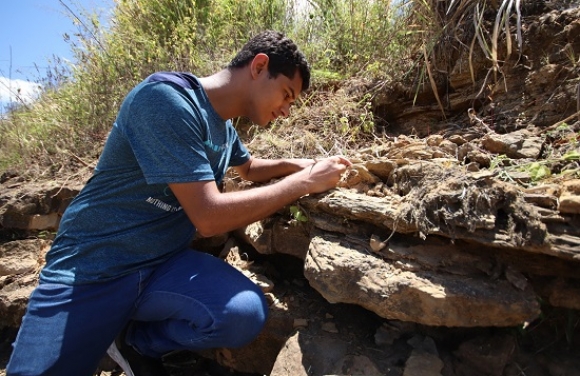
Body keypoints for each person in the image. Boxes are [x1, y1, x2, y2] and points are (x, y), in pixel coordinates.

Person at [6, 30, 351, 376]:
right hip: (92, 268)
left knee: (244, 314)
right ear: (260, 67)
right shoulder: (164, 101)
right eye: (287, 95)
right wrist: (303, 183)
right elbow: (208, 217)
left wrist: (303, 165)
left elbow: (248, 169)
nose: (287, 111)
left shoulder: (225, 129)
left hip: (161, 267)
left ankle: (137, 343)